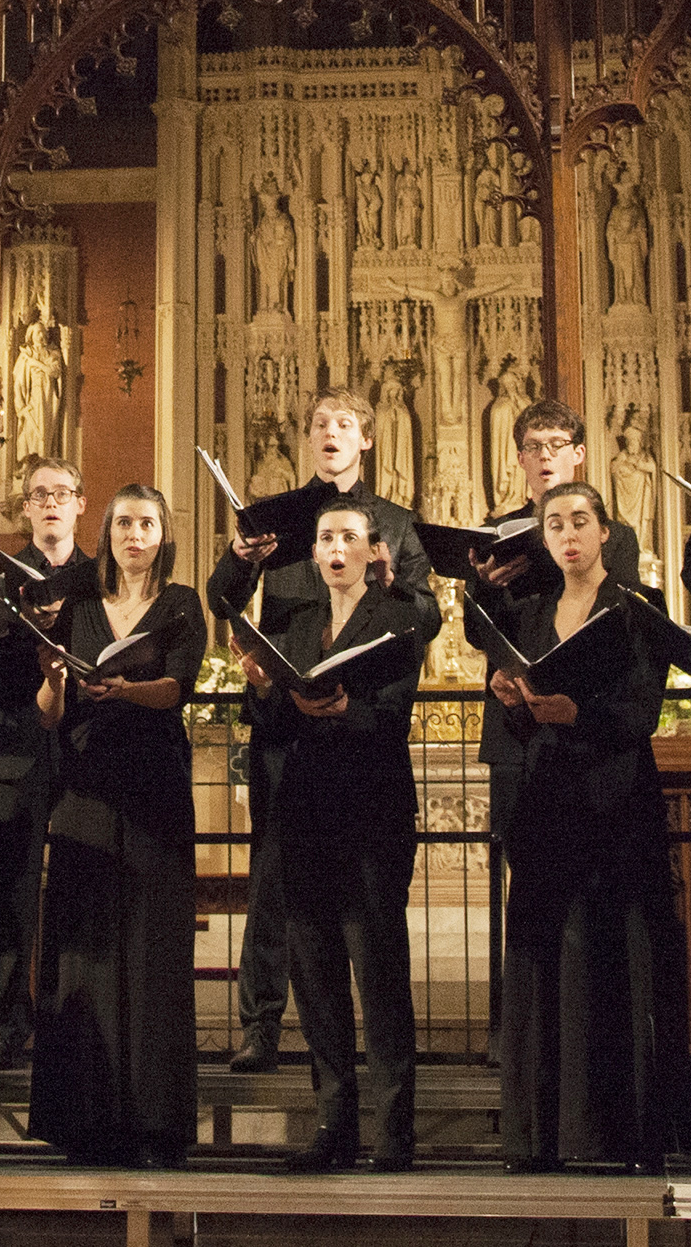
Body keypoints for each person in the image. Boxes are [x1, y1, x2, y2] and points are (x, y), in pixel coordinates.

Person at [215, 389, 430, 1073]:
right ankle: (261, 1026)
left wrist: (394, 588)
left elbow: (425, 620)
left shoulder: (394, 522)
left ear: (366, 438)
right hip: (288, 728)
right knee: (275, 884)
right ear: (308, 439)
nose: (330, 433)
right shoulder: (278, 519)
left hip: (361, 734)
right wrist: (243, 558)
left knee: (367, 915)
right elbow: (223, 600)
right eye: (319, 424)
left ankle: (370, 1060)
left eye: (344, 424)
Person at [482, 482, 687, 1171]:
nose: (568, 534)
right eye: (555, 524)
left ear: (605, 532)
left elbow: (642, 713)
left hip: (616, 796)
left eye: (580, 522)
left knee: (612, 954)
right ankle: (541, 1134)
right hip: (546, 797)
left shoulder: (636, 609)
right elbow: (520, 720)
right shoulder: (530, 614)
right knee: (543, 957)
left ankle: (619, 1133)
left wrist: (579, 714)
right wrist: (513, 698)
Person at [28, 484, 208, 1168]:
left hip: (153, 788)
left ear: (165, 535)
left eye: (148, 523)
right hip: (85, 788)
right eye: (125, 523)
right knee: (85, 951)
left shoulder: (182, 603)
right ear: (105, 534)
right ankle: (85, 1120)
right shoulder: (75, 607)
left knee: (152, 952)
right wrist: (52, 677)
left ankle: (154, 1123)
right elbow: (49, 712)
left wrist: (128, 690)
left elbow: (177, 689)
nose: (136, 534)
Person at [263, 492, 432, 1171]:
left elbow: (393, 713)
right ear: (313, 553)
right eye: (326, 538)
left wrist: (340, 707)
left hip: (372, 812)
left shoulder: (397, 618)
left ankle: (395, 1130)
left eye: (349, 539)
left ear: (372, 551)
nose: (336, 549)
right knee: (316, 976)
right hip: (304, 814)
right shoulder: (299, 625)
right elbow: (274, 724)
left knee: (379, 971)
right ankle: (332, 1124)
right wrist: (266, 690)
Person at [0, 460, 94, 1070]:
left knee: (74, 893)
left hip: (80, 753)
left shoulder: (100, 576)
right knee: (14, 897)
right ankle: (6, 1027)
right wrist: (20, 628)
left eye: (60, 494)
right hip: (8, 751)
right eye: (38, 495)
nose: (49, 503)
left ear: (80, 504)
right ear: (26, 508)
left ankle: (69, 1029)